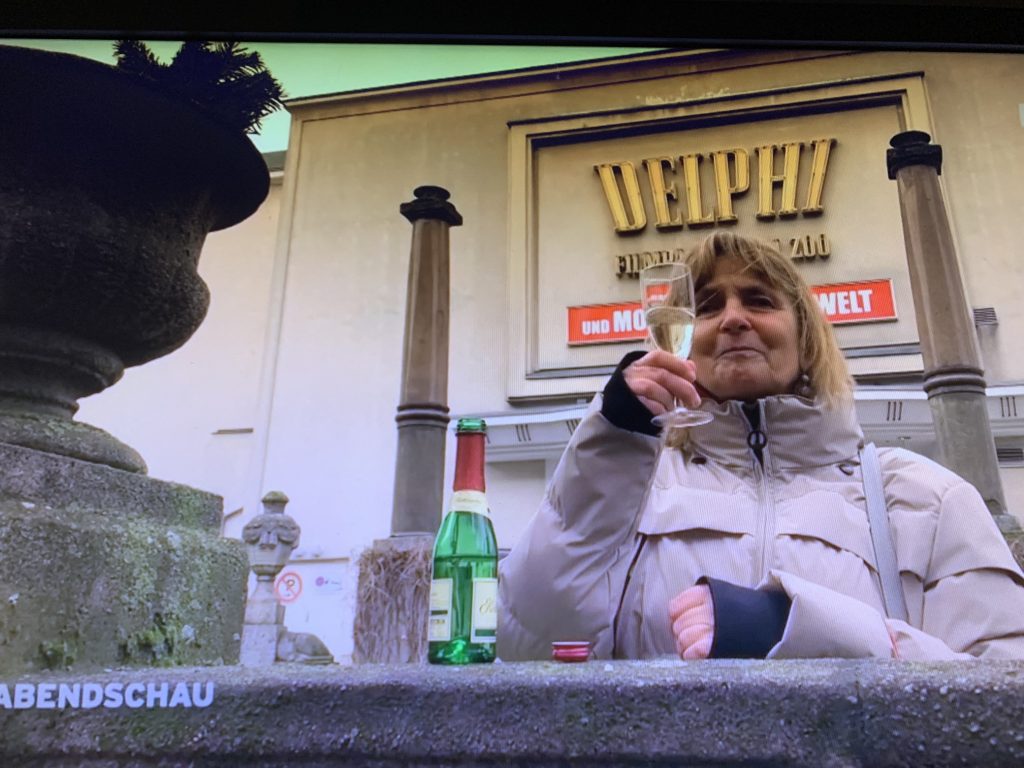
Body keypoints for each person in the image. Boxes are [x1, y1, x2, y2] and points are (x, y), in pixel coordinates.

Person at [498, 232, 1024, 661]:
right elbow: (531, 651)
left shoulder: (927, 498)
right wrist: (608, 447)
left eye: (758, 300)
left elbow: (1001, 701)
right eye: (708, 306)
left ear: (806, 336)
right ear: (684, 340)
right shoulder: (630, 485)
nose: (733, 318)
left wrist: (799, 629)